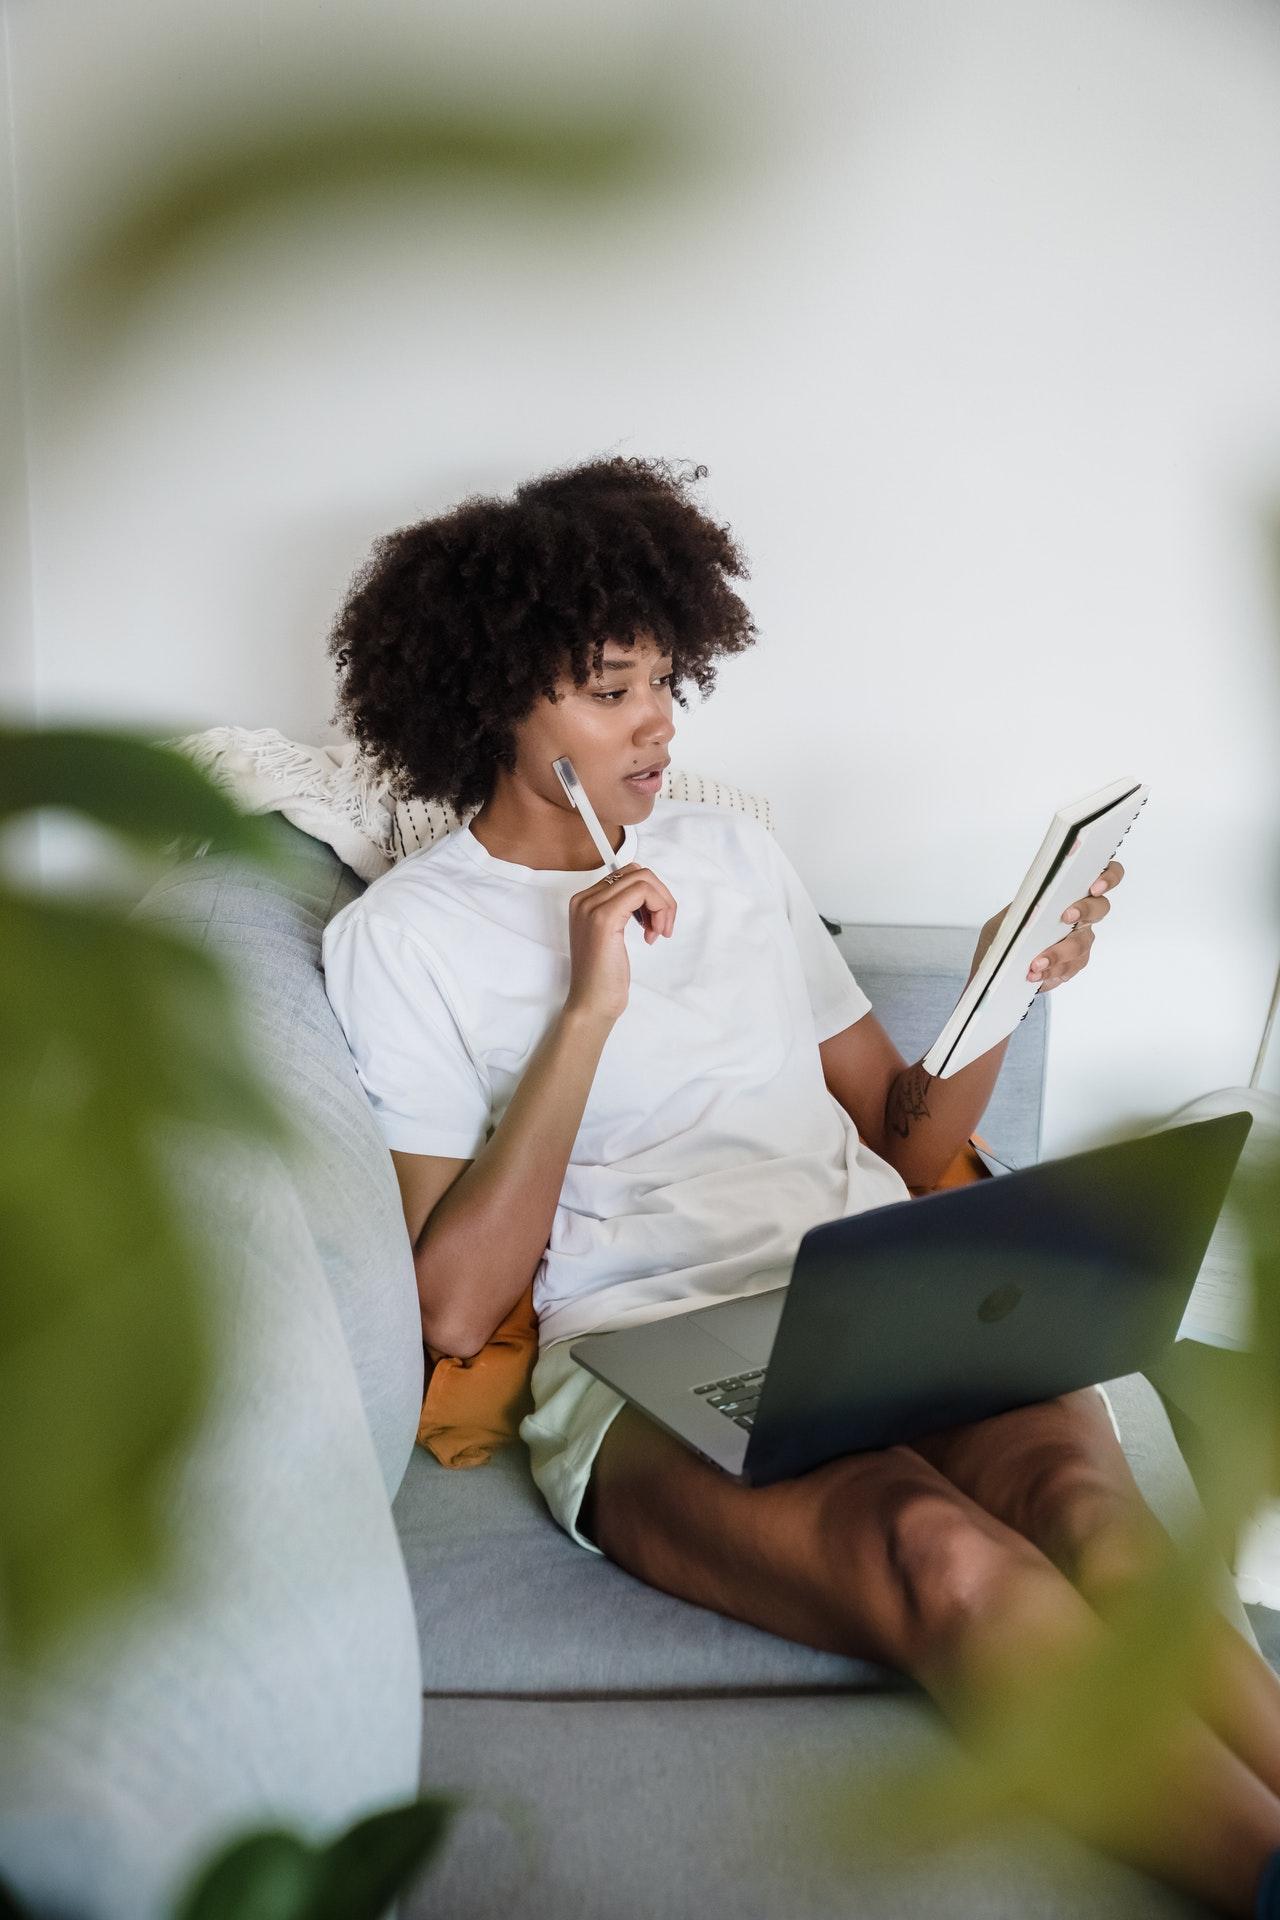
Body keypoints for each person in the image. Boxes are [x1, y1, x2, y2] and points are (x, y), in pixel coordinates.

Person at [320, 453, 1280, 1918]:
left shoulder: (736, 853)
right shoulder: (408, 937)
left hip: (879, 1287)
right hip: (643, 1345)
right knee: (939, 1556)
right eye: (610, 690)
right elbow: (452, 1310)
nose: (658, 726)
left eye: (664, 684)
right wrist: (588, 1010)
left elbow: (900, 1131)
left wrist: (998, 992)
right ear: (499, 701)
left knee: (1099, 1522)